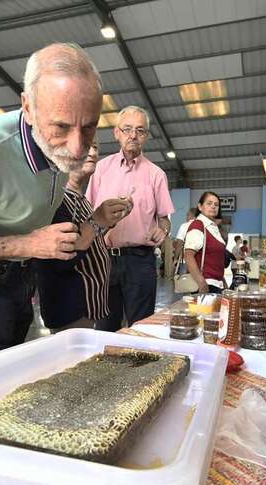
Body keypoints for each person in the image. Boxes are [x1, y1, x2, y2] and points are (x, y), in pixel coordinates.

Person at [0, 43, 128, 360]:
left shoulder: (62, 149)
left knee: (15, 368)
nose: (77, 148)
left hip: (23, 277)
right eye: (61, 127)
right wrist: (28, 245)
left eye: (89, 126)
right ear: (28, 108)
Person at [87, 105, 175, 331]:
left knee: (141, 328)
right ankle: (105, 367)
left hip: (141, 261)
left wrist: (163, 230)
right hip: (104, 260)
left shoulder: (156, 174)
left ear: (146, 135)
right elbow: (88, 215)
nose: (133, 135)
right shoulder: (100, 170)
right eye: (127, 129)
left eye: (140, 130)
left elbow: (164, 219)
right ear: (117, 132)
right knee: (104, 327)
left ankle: (139, 367)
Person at [36, 140, 125, 332]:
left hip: (88, 306)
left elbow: (89, 240)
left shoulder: (81, 198)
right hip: (70, 308)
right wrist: (98, 221)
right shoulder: (56, 199)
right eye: (87, 145)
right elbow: (62, 257)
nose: (93, 152)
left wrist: (107, 221)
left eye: (95, 147)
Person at [184, 192, 226, 294]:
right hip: (205, 285)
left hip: (216, 284)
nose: (213, 206)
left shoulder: (213, 227)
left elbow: (215, 259)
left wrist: (222, 280)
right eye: (209, 203)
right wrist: (201, 282)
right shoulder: (198, 225)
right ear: (200, 206)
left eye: (216, 205)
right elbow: (188, 255)